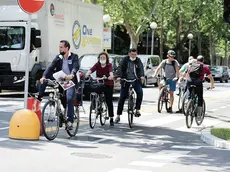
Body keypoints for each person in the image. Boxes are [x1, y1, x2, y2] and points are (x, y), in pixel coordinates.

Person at [38, 40, 80, 130]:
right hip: (60, 79)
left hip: (70, 81)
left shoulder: (74, 57)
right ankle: (39, 97)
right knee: (44, 80)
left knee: (69, 98)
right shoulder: (59, 57)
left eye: (61, 47)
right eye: (59, 47)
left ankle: (70, 121)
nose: (59, 49)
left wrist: (72, 75)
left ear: (67, 48)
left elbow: (75, 67)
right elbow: (51, 66)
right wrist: (44, 76)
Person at [115, 48, 145, 123]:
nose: (134, 56)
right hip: (125, 81)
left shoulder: (138, 60)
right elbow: (120, 68)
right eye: (132, 54)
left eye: (135, 54)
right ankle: (118, 115)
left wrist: (141, 76)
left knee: (140, 92)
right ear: (129, 54)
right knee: (122, 97)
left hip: (136, 80)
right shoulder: (124, 60)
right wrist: (119, 76)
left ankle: (137, 109)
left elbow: (141, 68)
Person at [85, 52, 115, 126]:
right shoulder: (97, 65)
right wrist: (87, 74)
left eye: (104, 58)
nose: (102, 59)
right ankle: (95, 105)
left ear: (106, 59)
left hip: (108, 84)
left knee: (109, 101)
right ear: (99, 58)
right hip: (99, 83)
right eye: (101, 58)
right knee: (94, 91)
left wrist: (110, 76)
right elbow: (91, 69)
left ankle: (111, 118)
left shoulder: (109, 65)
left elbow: (111, 72)